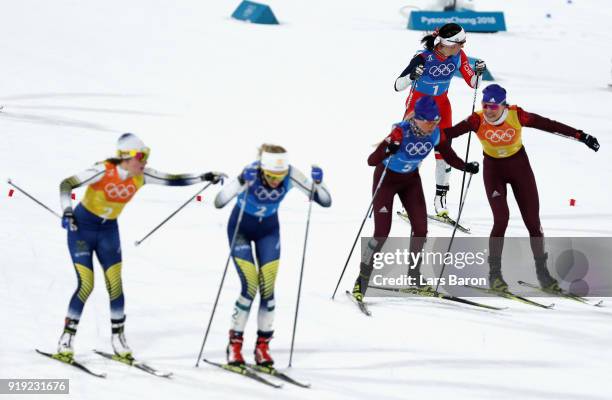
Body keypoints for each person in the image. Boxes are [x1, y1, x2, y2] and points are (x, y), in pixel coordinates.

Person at [56, 133, 225, 360]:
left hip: (108, 231)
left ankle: (118, 337)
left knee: (115, 285)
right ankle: (67, 337)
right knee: (86, 285)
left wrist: (204, 176)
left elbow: (173, 179)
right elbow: (67, 184)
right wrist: (67, 210)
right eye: (141, 156)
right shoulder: (102, 170)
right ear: (126, 157)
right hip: (82, 230)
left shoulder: (142, 175)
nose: (145, 162)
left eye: (146, 156)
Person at [443, 84, 600, 291]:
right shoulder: (476, 119)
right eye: (485, 105)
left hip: (519, 168)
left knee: (533, 223)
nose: (488, 111)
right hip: (493, 171)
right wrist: (437, 143)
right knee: (501, 219)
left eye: (493, 106)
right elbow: (447, 135)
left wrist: (581, 136)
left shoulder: (517, 115)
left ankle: (543, 274)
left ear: (503, 105)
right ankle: (495, 275)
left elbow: (550, 125)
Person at [214, 144, 331, 367]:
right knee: (249, 287)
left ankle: (262, 347)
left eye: (279, 175)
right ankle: (235, 345)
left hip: (268, 231)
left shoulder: (290, 174)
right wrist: (240, 180)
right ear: (262, 169)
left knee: (268, 290)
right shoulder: (251, 171)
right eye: (270, 175)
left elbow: (324, 201)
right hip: (240, 230)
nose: (276, 180)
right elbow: (219, 201)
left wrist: (319, 183)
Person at [351, 96, 479, 302]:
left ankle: (414, 276)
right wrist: (388, 149)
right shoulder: (400, 132)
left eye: (436, 120)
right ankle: (362, 279)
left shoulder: (435, 133)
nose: (432, 125)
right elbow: (371, 161)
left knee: (421, 229)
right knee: (382, 232)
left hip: (410, 181)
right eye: (428, 121)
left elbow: (449, 155)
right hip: (387, 181)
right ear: (417, 119)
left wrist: (465, 166)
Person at [394, 23, 486, 219]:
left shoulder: (458, 56)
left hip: (442, 109)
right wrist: (412, 76)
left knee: (443, 155)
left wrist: (479, 72)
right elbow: (397, 85)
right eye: (460, 43)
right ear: (448, 43)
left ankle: (440, 201)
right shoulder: (423, 57)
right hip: (419, 109)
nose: (462, 47)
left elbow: (474, 84)